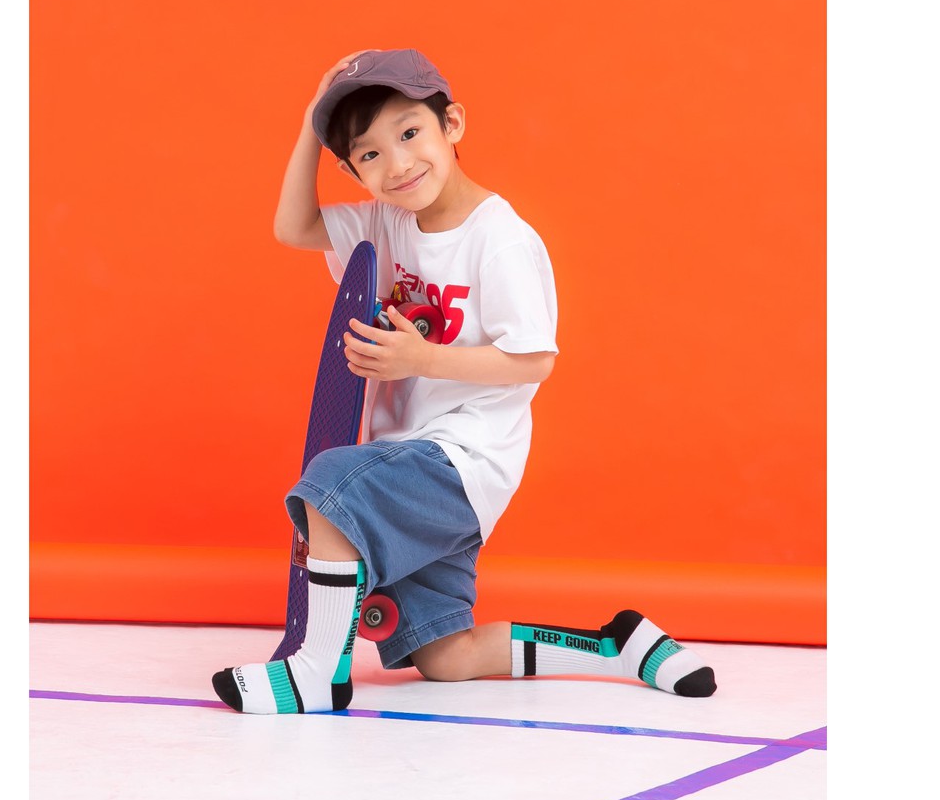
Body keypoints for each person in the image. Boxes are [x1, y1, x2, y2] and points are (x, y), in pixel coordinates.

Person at [212, 49, 716, 714]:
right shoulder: (386, 222)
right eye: (369, 155)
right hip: (411, 455)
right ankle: (618, 647)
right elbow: (293, 227)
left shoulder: (499, 239)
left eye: (410, 133)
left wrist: (420, 360)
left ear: (452, 124)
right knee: (446, 656)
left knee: (331, 488)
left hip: (466, 457)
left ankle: (315, 672)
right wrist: (313, 121)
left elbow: (533, 360)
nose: (397, 164)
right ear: (351, 170)